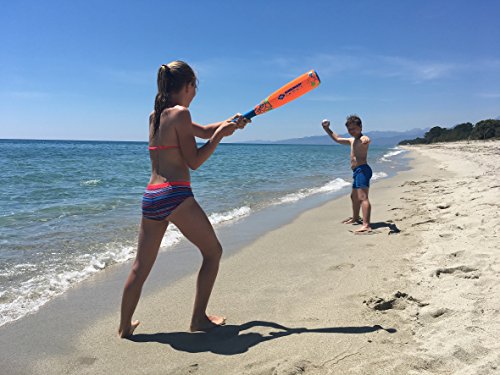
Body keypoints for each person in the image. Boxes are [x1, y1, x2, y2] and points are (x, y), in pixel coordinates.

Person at [118, 61, 250, 337]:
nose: (195, 92)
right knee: (213, 252)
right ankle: (198, 319)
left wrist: (231, 124)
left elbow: (200, 131)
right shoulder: (182, 113)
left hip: (151, 196)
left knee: (140, 266)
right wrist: (219, 137)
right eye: (195, 87)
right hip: (176, 194)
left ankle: (124, 327)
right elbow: (195, 161)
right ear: (189, 86)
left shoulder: (156, 116)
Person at [321, 115, 372, 233]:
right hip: (357, 172)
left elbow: (366, 139)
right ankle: (355, 218)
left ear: (360, 127)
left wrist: (365, 139)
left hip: (363, 170)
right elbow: (337, 139)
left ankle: (366, 225)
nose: (351, 131)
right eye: (349, 129)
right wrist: (326, 128)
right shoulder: (352, 140)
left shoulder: (362, 139)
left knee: (363, 198)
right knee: (354, 197)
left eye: (354, 128)